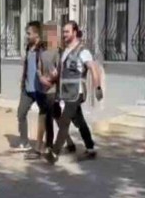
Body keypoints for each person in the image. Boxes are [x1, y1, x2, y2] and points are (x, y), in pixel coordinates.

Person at [45, 21, 103, 164]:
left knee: (65, 121)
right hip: (65, 92)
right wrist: (53, 76)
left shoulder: (83, 51)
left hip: (77, 92)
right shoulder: (65, 51)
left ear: (75, 32)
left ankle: (54, 153)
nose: (64, 34)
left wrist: (98, 88)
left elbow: (94, 69)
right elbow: (61, 72)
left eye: (67, 32)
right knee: (79, 121)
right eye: (63, 32)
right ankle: (90, 148)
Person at [25, 29, 75, 160]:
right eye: (47, 34)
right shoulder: (42, 52)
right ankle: (69, 143)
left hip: (53, 91)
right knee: (56, 116)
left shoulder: (58, 52)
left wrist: (51, 80)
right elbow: (39, 69)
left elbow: (60, 71)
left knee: (47, 118)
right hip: (43, 89)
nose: (49, 37)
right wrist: (41, 78)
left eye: (52, 34)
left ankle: (47, 147)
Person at [13, 21, 44, 152]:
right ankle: (24, 142)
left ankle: (65, 139)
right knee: (21, 113)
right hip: (27, 89)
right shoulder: (28, 47)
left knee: (50, 115)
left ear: (36, 34)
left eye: (29, 33)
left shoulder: (42, 48)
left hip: (40, 89)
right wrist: (22, 80)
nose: (27, 36)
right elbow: (27, 66)